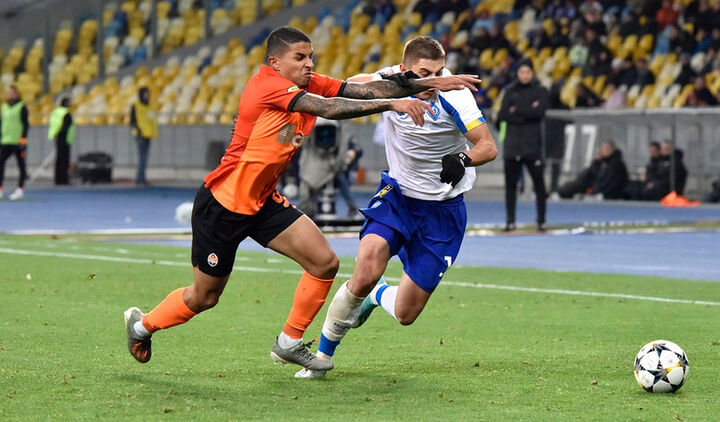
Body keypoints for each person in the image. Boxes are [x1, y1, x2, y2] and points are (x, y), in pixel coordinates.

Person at [122, 26, 480, 372]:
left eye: (311, 56)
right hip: (223, 204)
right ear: (275, 62)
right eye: (300, 57)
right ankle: (141, 326)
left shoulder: (306, 82)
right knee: (204, 297)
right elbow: (330, 108)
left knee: (324, 263)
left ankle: (289, 342)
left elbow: (362, 89)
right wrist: (393, 104)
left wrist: (428, 83)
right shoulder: (267, 86)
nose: (309, 63)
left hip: (262, 203)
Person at [296, 35, 497, 378]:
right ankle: (322, 358)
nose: (433, 80)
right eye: (424, 73)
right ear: (405, 69)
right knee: (367, 267)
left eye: (438, 71)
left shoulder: (455, 94)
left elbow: (488, 146)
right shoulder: (388, 82)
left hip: (442, 211)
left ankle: (377, 296)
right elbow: (346, 88)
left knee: (406, 313)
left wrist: (463, 159)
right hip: (398, 196)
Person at [497, 59, 549, 232]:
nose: (525, 75)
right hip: (512, 146)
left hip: (532, 146)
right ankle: (510, 221)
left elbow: (539, 113)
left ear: (532, 73)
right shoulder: (510, 90)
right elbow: (503, 115)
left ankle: (541, 220)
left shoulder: (540, 90)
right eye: (522, 72)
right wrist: (528, 111)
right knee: (510, 186)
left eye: (528, 72)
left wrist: (517, 110)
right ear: (517, 73)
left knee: (539, 185)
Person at [557, 140, 628, 200]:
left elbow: (607, 182)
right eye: (603, 149)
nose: (605, 151)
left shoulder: (616, 164)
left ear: (613, 150)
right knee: (576, 184)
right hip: (596, 191)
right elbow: (590, 175)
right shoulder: (603, 163)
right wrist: (596, 162)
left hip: (607, 194)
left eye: (608, 149)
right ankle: (561, 192)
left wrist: (595, 192)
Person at [0, 85, 29, 200]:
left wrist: (23, 139)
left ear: (17, 94)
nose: (10, 95)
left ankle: (20, 189)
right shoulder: (4, 107)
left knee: (21, 166)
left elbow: (25, 124)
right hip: (5, 141)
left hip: (18, 142)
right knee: (1, 163)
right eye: (9, 93)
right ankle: (0, 189)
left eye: (13, 93)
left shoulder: (21, 107)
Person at [130, 86, 157, 186]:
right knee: (142, 157)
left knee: (145, 158)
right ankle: (140, 179)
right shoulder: (136, 106)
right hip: (140, 135)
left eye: (148, 94)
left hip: (148, 134)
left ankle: (142, 178)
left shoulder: (150, 106)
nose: (147, 96)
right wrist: (139, 130)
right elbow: (132, 121)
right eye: (146, 94)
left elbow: (152, 120)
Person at [48, 97, 75, 185]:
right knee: (64, 160)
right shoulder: (66, 113)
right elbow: (66, 126)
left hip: (56, 136)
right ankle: (63, 179)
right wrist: (62, 133)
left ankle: (58, 179)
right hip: (64, 138)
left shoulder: (55, 112)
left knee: (59, 159)